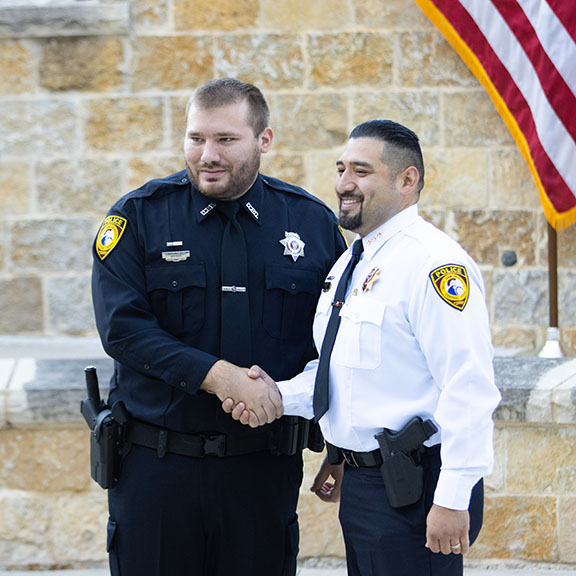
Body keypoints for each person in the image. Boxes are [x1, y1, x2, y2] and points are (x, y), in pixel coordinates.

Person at [91, 77, 347, 576]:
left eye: (225, 140)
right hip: (156, 469)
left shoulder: (312, 225)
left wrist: (339, 446)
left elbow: (337, 344)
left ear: (264, 141)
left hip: (262, 471)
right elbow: (123, 329)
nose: (207, 154)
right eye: (196, 138)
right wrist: (218, 376)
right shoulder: (138, 218)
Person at [226, 119, 501, 576]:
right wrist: (274, 395)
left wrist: (452, 498)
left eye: (361, 171)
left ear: (407, 180)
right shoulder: (352, 263)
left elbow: (468, 386)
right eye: (340, 169)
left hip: (415, 486)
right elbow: (339, 369)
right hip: (364, 484)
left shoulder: (433, 263)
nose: (343, 184)